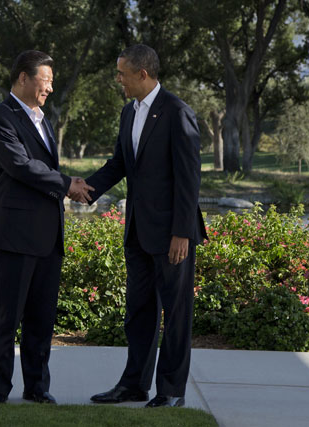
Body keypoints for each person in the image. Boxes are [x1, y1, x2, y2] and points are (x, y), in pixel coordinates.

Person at [85, 44, 207, 408]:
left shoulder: (177, 112)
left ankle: (171, 391)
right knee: (138, 311)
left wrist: (182, 232)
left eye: (122, 73)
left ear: (142, 74)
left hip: (173, 235)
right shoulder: (129, 112)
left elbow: (189, 179)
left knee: (176, 313)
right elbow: (120, 164)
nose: (118, 79)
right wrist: (83, 189)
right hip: (138, 232)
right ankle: (134, 385)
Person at [0, 50, 93, 405]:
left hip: (47, 237)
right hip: (14, 235)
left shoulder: (42, 119)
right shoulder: (1, 117)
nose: (50, 87)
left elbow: (38, 168)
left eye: (51, 81)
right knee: (5, 318)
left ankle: (37, 388)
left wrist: (68, 185)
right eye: (45, 80)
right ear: (23, 79)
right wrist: (67, 184)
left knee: (41, 320)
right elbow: (20, 166)